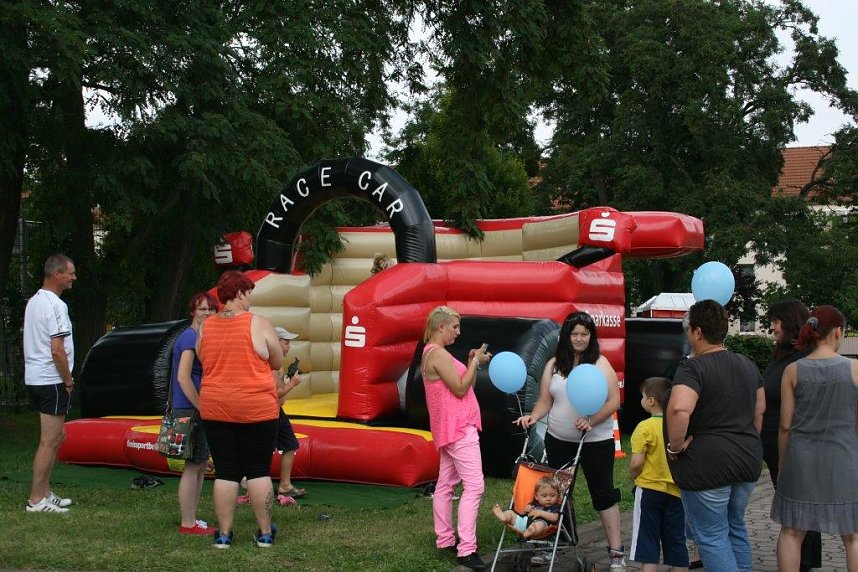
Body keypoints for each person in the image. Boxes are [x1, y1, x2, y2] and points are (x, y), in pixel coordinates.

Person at [515, 311, 624, 568]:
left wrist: (592, 420)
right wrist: (534, 416)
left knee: (603, 495)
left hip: (595, 441)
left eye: (584, 334)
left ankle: (616, 553)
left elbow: (614, 401)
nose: (578, 338)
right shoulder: (554, 364)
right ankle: (551, 544)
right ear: (566, 336)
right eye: (574, 334)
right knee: (555, 495)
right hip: (559, 440)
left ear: (591, 336)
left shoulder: (600, 363)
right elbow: (545, 399)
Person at [665, 300, 764, 572]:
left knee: (711, 536)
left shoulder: (693, 367)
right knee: (735, 527)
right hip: (747, 459)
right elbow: (760, 410)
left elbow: (679, 408)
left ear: (697, 332)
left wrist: (675, 447)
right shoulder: (747, 364)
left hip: (707, 464)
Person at [197, 270, 283, 549]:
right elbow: (277, 361)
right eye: (249, 293)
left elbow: (202, 356)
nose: (251, 299)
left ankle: (223, 534)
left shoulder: (206, 326)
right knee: (258, 471)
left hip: (216, 406)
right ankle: (265, 532)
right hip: (256, 407)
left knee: (225, 471)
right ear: (242, 293)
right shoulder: (258, 323)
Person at [771, 305, 858, 572]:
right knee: (853, 535)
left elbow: (785, 425)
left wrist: (784, 464)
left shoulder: (793, 371)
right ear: (839, 332)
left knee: (791, 532)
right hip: (844, 460)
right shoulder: (854, 368)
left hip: (801, 460)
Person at [421, 305, 491, 571]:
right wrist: (474, 362)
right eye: (454, 327)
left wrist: (472, 361)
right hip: (459, 429)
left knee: (446, 484)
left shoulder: (436, 353)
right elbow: (462, 389)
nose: (458, 333)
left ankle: (445, 538)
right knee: (475, 486)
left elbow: (465, 383)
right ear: (440, 327)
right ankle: (466, 549)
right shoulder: (437, 354)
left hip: (449, 428)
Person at [760, 299, 821, 570]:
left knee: (798, 512)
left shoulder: (802, 360)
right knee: (796, 511)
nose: (772, 327)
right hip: (775, 445)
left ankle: (803, 562)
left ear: (789, 323)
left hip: (793, 445)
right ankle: (803, 560)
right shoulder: (781, 357)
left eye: (776, 322)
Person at [23, 254, 76, 513]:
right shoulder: (55, 305)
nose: (73, 278)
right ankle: (36, 500)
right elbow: (57, 349)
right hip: (50, 379)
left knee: (58, 436)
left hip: (34, 377)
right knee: (49, 440)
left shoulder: (34, 301)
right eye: (70, 273)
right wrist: (67, 380)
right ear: (57, 274)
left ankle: (44, 492)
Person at [238, 326, 307, 505]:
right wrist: (292, 383)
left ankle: (284, 485)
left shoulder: (275, 365)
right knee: (266, 449)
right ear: (275, 344)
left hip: (276, 411)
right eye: (286, 343)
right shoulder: (273, 367)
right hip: (268, 411)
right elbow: (274, 393)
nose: (288, 347)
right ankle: (252, 481)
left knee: (290, 444)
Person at [629, 377, 688, 572]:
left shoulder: (644, 428)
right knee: (677, 540)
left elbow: (637, 462)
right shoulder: (677, 426)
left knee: (648, 540)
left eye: (642, 396)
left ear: (651, 400)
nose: (642, 400)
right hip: (676, 491)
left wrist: (633, 475)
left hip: (649, 490)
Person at [171, 292, 218, 534]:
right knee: (193, 465)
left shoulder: (197, 337)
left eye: (211, 309)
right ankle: (188, 522)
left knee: (200, 464)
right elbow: (183, 376)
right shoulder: (190, 338)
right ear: (193, 312)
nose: (208, 313)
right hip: (191, 408)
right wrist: (201, 406)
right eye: (202, 309)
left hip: (194, 406)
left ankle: (191, 517)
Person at [492, 476, 562, 539]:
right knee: (511, 513)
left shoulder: (555, 506)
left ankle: (531, 530)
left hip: (540, 528)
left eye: (552, 495)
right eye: (544, 496)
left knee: (540, 524)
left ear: (557, 495)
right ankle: (504, 517)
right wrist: (527, 509)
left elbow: (555, 518)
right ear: (537, 497)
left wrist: (540, 513)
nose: (549, 499)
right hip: (523, 523)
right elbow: (523, 512)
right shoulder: (535, 503)